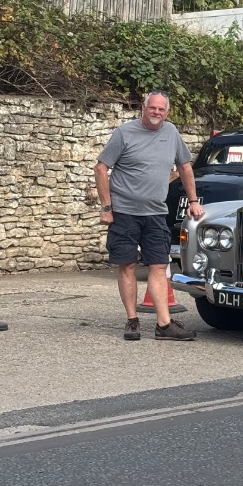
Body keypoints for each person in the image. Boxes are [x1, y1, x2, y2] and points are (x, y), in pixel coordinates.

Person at [95, 90, 203, 341]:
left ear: (167, 112)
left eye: (161, 109)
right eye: (152, 108)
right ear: (143, 108)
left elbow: (185, 167)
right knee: (128, 265)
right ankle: (132, 321)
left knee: (158, 265)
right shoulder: (124, 133)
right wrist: (106, 207)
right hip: (124, 213)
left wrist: (194, 201)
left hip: (156, 213)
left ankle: (163, 325)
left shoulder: (171, 133)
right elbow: (101, 168)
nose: (156, 113)